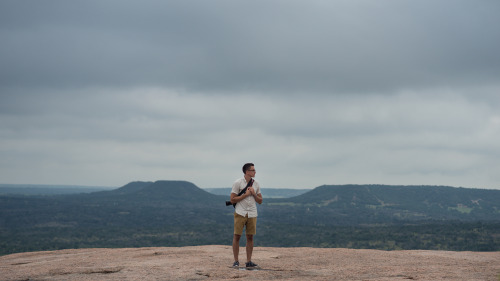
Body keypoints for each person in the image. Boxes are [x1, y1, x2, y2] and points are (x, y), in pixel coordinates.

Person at [230, 163, 263, 268]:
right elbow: (232, 199)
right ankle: (236, 261)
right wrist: (246, 195)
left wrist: (253, 193)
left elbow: (260, 201)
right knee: (237, 236)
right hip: (240, 212)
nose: (255, 172)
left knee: (250, 236)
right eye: (253, 170)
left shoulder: (256, 184)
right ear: (247, 172)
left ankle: (249, 261)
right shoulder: (238, 183)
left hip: (252, 213)